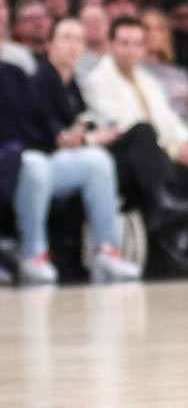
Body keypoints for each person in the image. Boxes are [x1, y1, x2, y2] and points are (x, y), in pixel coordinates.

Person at [82, 17, 188, 276]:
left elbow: (170, 121)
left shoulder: (148, 80)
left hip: (166, 156)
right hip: (128, 160)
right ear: (111, 44)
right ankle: (161, 204)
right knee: (143, 132)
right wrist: (175, 150)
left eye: (137, 44)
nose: (131, 50)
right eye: (124, 43)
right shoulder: (98, 80)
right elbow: (122, 128)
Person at [2, 19, 141, 285]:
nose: (73, 45)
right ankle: (33, 254)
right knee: (36, 163)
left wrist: (85, 137)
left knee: (98, 161)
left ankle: (107, 251)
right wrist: (69, 138)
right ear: (50, 45)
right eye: (65, 37)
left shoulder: (74, 85)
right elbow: (36, 129)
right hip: (27, 158)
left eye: (79, 39)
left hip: (51, 161)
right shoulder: (36, 79)